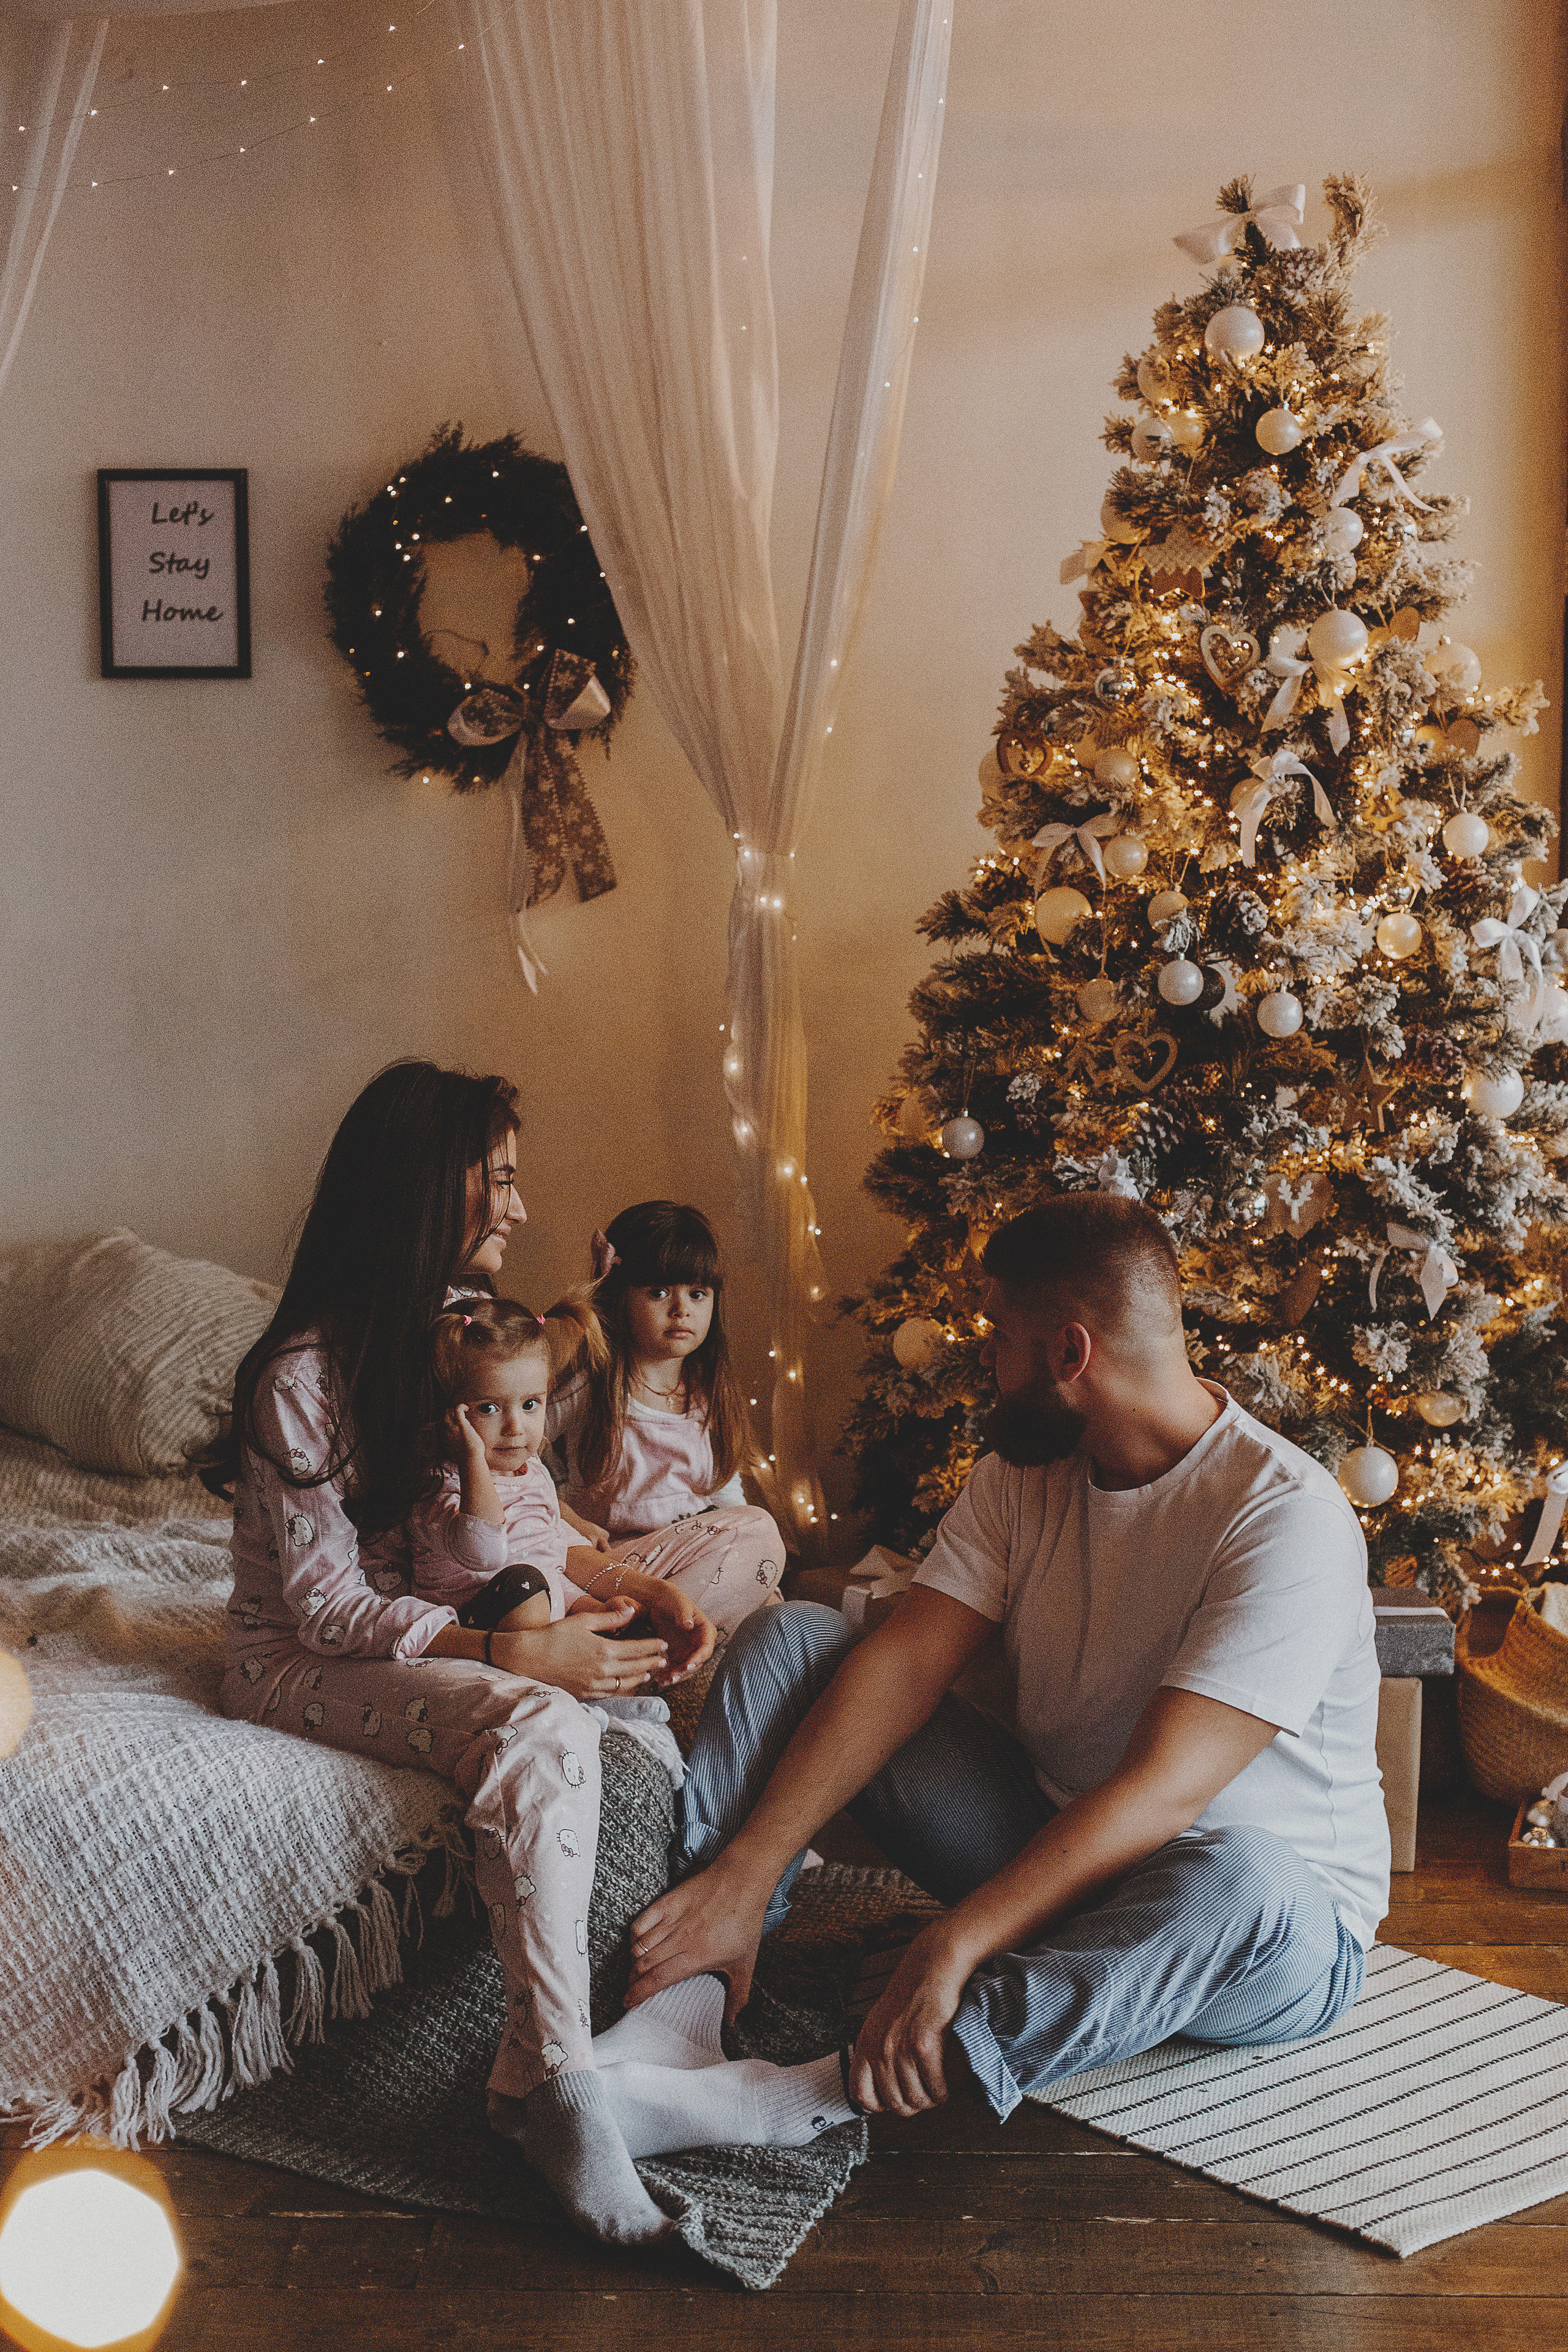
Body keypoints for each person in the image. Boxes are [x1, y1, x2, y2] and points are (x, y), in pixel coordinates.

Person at [615, 1194, 1387, 2134]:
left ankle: (803, 2097)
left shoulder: (1284, 1516)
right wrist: (751, 1865)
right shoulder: (1023, 1476)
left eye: (998, 1337)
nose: (983, 1360)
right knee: (798, 1640)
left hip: (1260, 1930)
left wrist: (953, 1942)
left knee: (1244, 1874)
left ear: (1070, 1353)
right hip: (1051, 1847)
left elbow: (1160, 1796)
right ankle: (690, 1986)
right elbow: (905, 1664)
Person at [207, 1060, 706, 2246]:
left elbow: (516, 1516)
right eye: (501, 1181)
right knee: (539, 1719)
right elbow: (325, 1610)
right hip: (292, 1661)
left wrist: (625, 1585)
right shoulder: (302, 1376)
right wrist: (510, 1656)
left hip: (426, 1624)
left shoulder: (456, 1341)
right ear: (427, 1188)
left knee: (607, 1669)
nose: (520, 1209)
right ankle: (560, 2087)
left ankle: (548, 2075)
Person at [546, 1201, 787, 1648]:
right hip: (615, 1569)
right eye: (658, 1293)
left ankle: (661, 1632)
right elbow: (515, 1454)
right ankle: (636, 1629)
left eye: (697, 1294)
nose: (681, 1310)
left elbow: (726, 1499)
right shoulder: (593, 1383)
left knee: (775, 1604)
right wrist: (568, 1517)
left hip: (689, 1560)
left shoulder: (707, 1392)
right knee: (760, 1531)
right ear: (621, 1295)